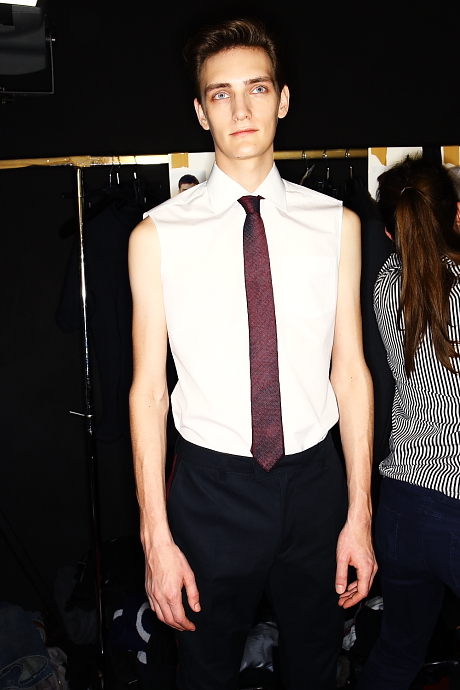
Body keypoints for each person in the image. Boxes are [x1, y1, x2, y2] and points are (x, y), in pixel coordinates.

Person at [128, 17, 376, 690]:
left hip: (314, 486)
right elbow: (147, 391)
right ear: (200, 110)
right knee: (203, 672)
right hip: (211, 492)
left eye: (257, 88)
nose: (241, 109)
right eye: (221, 93)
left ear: (283, 99)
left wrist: (360, 513)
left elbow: (351, 373)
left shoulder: (337, 225)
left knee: (317, 668)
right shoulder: (156, 237)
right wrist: (155, 538)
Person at [356, 156, 460, 690]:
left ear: (389, 231)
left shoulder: (385, 285)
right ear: (456, 215)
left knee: (396, 656)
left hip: (402, 504)